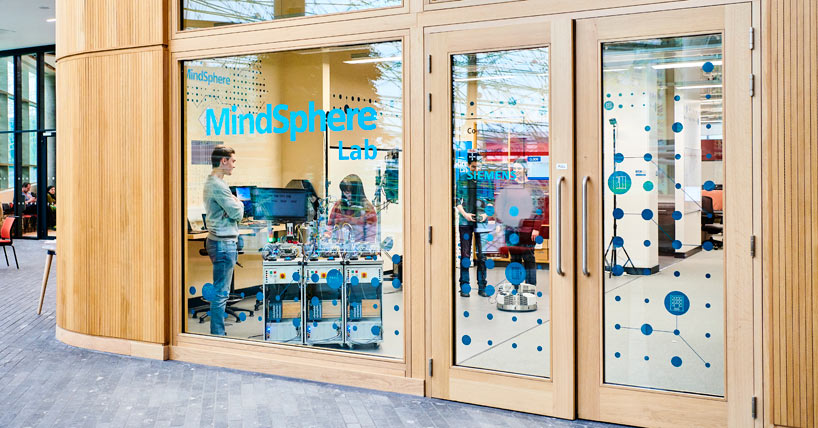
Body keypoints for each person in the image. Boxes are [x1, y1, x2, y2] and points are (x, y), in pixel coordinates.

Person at [203, 145, 244, 336]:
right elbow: (237, 213)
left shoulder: (215, 182)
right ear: (223, 161)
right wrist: (239, 203)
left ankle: (217, 332)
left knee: (221, 290)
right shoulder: (218, 186)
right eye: (232, 161)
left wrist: (234, 205)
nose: (234, 165)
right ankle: (218, 334)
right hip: (223, 243)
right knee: (221, 292)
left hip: (218, 241)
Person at [495, 161, 545, 288]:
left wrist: (536, 228)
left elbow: (540, 208)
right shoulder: (508, 185)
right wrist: (499, 223)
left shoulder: (534, 185)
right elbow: (501, 205)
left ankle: (531, 287)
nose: (516, 171)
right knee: (514, 259)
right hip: (511, 228)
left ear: (525, 169)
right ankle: (515, 287)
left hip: (527, 229)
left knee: (529, 258)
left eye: (519, 168)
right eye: (515, 168)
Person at [455, 152, 490, 297]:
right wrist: (465, 214)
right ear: (468, 166)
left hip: (482, 222)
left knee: (482, 256)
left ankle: (482, 287)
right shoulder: (462, 179)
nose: (476, 169)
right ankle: (464, 287)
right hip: (465, 221)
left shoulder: (486, 180)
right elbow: (457, 200)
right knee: (465, 255)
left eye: (478, 167)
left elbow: (491, 202)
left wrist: (485, 215)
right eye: (473, 167)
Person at [327, 174, 377, 244]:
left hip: (358, 248)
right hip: (338, 246)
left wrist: (364, 248)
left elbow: (370, 236)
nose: (346, 194)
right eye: (344, 191)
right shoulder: (338, 205)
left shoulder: (367, 208)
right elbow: (330, 227)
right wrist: (327, 238)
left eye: (349, 191)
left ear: (356, 191)